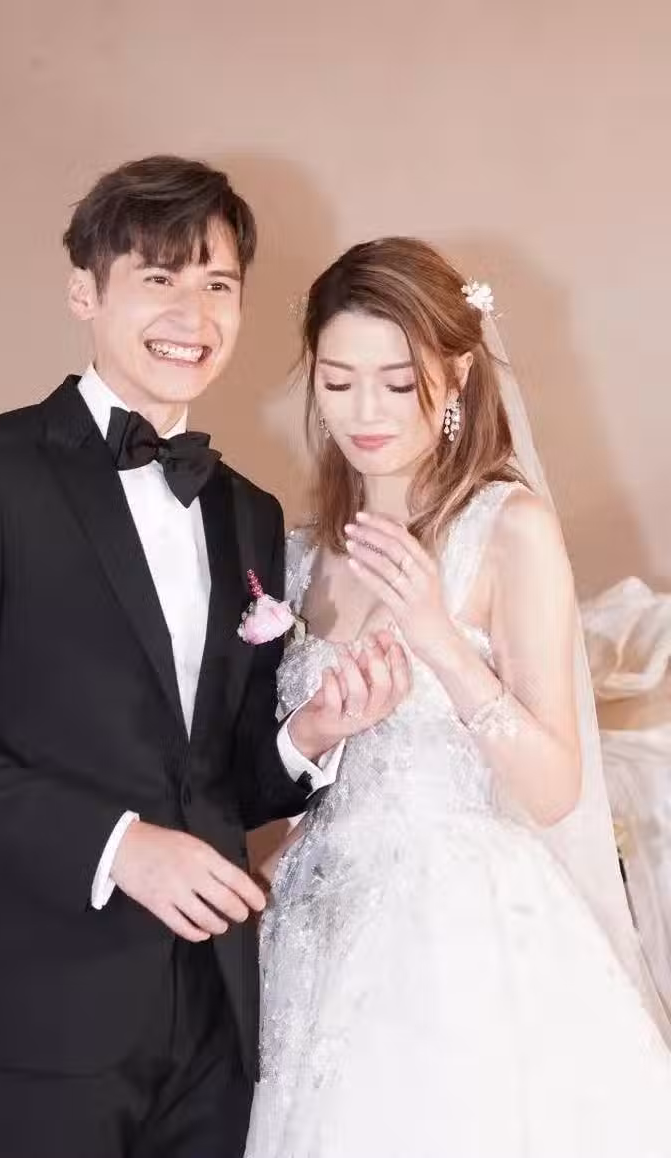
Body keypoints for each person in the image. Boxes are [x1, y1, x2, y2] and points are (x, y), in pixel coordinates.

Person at [0, 158, 406, 1158]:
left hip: (218, 1013)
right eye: (158, 277)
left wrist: (308, 735)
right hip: (40, 1003)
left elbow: (224, 771)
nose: (191, 314)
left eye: (217, 284)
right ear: (85, 291)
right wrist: (116, 847)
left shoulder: (247, 513)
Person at [245, 236, 671, 1158]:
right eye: (338, 380)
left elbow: (554, 787)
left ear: (457, 377)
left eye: (398, 382)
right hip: (311, 927)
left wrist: (437, 637)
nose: (365, 411)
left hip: (455, 933)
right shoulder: (301, 555)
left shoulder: (508, 528)